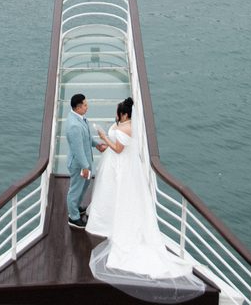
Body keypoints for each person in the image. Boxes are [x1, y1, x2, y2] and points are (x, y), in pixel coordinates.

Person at [85, 97, 205, 301]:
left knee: (120, 197)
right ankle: (104, 217)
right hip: (113, 167)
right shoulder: (122, 124)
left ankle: (113, 222)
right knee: (108, 195)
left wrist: (104, 137)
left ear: (124, 114)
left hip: (121, 167)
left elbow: (118, 149)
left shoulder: (128, 129)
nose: (115, 115)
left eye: (117, 112)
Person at [64, 93, 105, 228]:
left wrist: (96, 144)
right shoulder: (74, 126)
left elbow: (86, 137)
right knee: (75, 190)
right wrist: (85, 167)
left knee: (85, 185)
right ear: (77, 108)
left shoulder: (79, 117)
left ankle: (76, 206)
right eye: (85, 105)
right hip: (79, 164)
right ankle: (73, 217)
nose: (87, 107)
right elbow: (78, 149)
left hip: (84, 162)